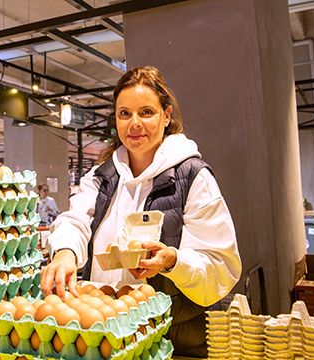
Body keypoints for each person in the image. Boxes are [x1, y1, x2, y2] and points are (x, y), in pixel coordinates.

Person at [40, 66, 242, 357]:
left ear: (167, 115)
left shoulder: (192, 177)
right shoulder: (102, 175)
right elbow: (75, 220)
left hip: (170, 341)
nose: (134, 123)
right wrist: (65, 252)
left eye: (146, 112)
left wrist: (173, 262)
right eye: (125, 114)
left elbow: (220, 266)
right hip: (102, 341)